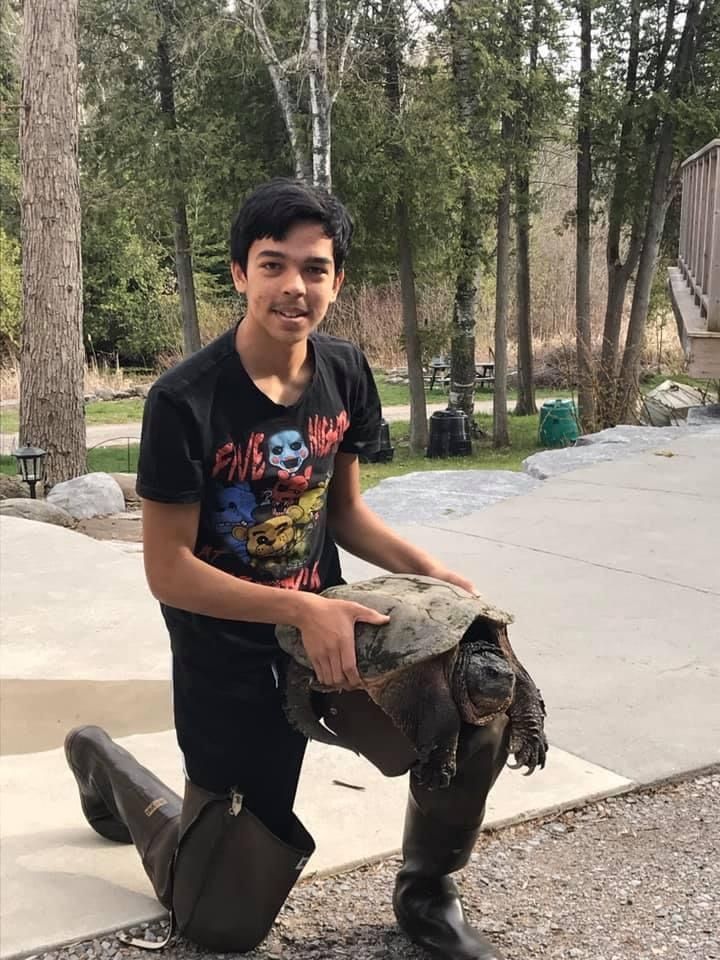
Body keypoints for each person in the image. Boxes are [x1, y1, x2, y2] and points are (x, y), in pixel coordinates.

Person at [64, 179, 510, 959]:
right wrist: (297, 609)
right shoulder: (184, 401)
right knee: (221, 923)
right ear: (240, 274)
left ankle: (427, 886)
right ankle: (104, 762)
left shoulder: (343, 370)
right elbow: (167, 571)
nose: (293, 287)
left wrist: (438, 579)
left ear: (336, 280)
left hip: (331, 636)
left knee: (479, 696)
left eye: (314, 268)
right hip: (228, 653)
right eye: (273, 265)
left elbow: (343, 515)